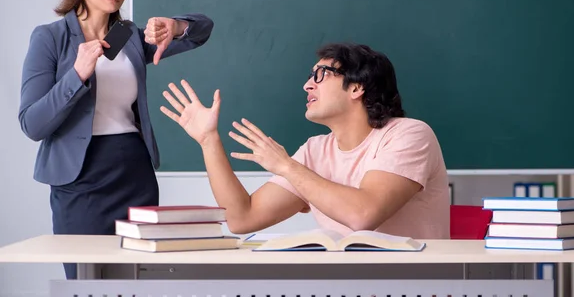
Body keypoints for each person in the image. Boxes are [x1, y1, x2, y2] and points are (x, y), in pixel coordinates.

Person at [18, 0, 214, 279]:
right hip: (79, 179)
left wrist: (176, 25)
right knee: (86, 280)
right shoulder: (50, 38)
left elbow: (202, 31)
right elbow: (32, 124)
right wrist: (76, 75)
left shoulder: (130, 38)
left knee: (139, 279)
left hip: (133, 171)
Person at [161, 43, 449, 239]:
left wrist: (287, 167)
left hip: (413, 286)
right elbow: (242, 219)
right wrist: (209, 140)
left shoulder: (409, 134)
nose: (307, 85)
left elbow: (364, 215)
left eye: (320, 75)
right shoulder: (315, 150)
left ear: (357, 87)